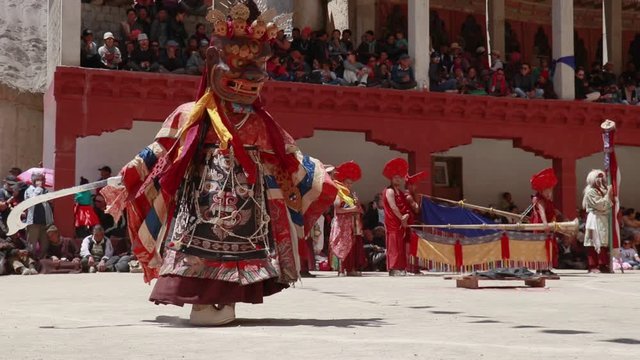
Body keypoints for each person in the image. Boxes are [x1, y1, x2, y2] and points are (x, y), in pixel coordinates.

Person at [100, 3, 337, 327]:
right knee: (198, 253)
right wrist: (129, 175)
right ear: (212, 65)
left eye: (255, 72)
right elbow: (161, 151)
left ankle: (225, 302)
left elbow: (287, 156)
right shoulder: (192, 114)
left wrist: (319, 176)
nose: (248, 81)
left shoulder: (260, 122)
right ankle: (201, 302)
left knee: (239, 259)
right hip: (201, 205)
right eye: (237, 70)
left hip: (247, 210)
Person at [329, 161, 365, 277]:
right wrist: (352, 209)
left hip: (351, 225)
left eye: (351, 183)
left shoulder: (350, 195)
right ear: (342, 182)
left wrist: (358, 207)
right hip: (341, 225)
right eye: (347, 183)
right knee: (342, 245)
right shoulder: (339, 194)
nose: (349, 185)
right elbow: (338, 210)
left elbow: (358, 209)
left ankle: (351, 268)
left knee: (352, 246)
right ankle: (342, 269)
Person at [382, 158, 411, 276]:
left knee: (401, 245)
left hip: (401, 222)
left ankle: (401, 267)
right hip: (393, 222)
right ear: (391, 179)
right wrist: (402, 218)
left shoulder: (400, 192)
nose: (398, 179)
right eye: (395, 177)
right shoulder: (389, 191)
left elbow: (405, 206)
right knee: (393, 245)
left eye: (399, 177)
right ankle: (393, 268)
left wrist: (407, 215)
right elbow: (393, 207)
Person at [582, 169, 613, 273]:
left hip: (603, 218)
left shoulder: (602, 190)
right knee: (594, 241)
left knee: (603, 241)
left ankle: (603, 264)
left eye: (601, 177)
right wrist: (608, 195)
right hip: (595, 218)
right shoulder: (590, 192)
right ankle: (593, 265)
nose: (600, 179)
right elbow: (600, 205)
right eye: (598, 177)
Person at [529, 168, 559, 274]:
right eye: (548, 190)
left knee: (547, 246)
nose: (549, 192)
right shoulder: (539, 199)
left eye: (551, 190)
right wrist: (545, 225)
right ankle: (542, 268)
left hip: (545, 224)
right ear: (542, 190)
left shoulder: (546, 199)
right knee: (543, 246)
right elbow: (541, 211)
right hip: (541, 224)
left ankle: (544, 268)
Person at [24, 172, 54, 259]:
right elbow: (33, 200)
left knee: (45, 245)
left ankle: (40, 262)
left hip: (45, 222)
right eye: (41, 179)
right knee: (31, 245)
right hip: (33, 222)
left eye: (43, 179)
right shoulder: (29, 190)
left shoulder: (45, 190)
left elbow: (50, 201)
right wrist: (38, 188)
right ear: (34, 181)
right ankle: (31, 263)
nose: (43, 181)